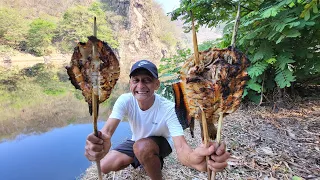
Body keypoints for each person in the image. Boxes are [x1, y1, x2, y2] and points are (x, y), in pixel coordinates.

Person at [85, 60, 230, 180]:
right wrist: (101, 142)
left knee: (142, 147)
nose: (140, 86)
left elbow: (181, 147)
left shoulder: (168, 108)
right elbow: (108, 131)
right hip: (137, 142)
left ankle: (152, 163)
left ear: (157, 84)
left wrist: (194, 159)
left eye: (147, 80)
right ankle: (144, 159)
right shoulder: (124, 100)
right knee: (104, 165)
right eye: (136, 80)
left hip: (161, 142)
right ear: (130, 83)